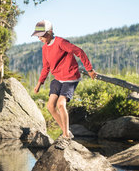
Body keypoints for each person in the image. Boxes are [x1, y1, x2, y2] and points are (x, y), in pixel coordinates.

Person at [32, 19, 97, 149]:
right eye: (37, 35)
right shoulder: (45, 48)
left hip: (70, 78)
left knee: (61, 104)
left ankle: (66, 136)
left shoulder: (61, 42)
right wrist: (39, 83)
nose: (39, 38)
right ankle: (66, 132)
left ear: (49, 32)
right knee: (50, 106)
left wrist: (89, 69)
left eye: (41, 35)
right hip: (58, 78)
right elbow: (46, 67)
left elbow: (79, 51)